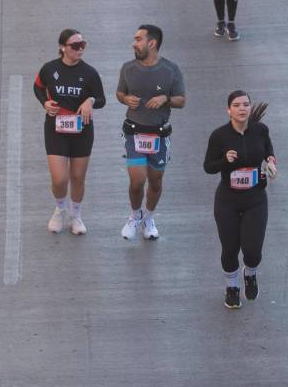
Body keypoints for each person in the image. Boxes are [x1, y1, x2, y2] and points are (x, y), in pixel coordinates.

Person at [203, 91, 277, 308]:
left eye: (246, 104)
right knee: (230, 248)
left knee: (253, 251)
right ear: (229, 110)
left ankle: (250, 273)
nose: (242, 108)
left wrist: (271, 162)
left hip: (255, 199)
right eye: (237, 105)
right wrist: (225, 161)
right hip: (228, 200)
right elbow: (208, 167)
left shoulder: (260, 131)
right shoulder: (219, 136)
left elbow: (268, 150)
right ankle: (232, 287)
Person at [34, 29, 106, 235]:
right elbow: (37, 87)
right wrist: (45, 102)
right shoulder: (49, 69)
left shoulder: (90, 73)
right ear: (63, 48)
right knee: (59, 179)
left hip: (82, 130)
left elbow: (101, 99)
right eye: (75, 46)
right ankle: (60, 209)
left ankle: (76, 215)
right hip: (56, 129)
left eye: (83, 45)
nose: (80, 49)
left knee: (77, 177)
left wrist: (89, 101)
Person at [116, 24, 185, 240]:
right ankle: (135, 215)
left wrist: (165, 98)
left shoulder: (171, 70)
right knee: (137, 181)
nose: (133, 43)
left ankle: (149, 217)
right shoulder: (127, 68)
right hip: (134, 133)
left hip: (160, 135)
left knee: (155, 182)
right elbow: (119, 93)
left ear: (152, 43)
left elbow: (181, 100)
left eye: (138, 39)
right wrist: (125, 99)